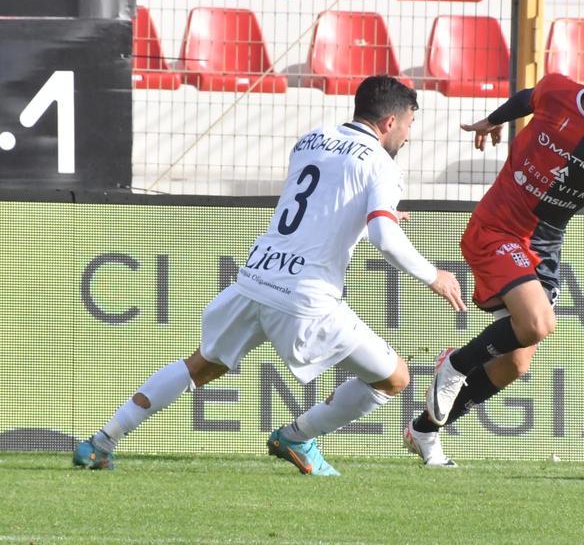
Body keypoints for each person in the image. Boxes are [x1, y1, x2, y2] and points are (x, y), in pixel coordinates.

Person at [73, 75, 466, 475]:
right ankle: (297, 436)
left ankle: (101, 441)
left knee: (201, 365)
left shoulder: (311, 138)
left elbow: (319, 207)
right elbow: (385, 236)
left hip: (256, 277)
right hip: (305, 297)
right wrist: (433, 275)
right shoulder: (381, 164)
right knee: (394, 378)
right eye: (409, 125)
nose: (409, 136)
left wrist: (365, 218)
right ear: (389, 123)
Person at [403, 37, 584, 466]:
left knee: (514, 366)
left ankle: (425, 429)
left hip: (545, 243)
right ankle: (454, 365)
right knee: (538, 323)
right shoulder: (557, 91)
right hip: (497, 226)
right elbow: (527, 98)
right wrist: (493, 120)